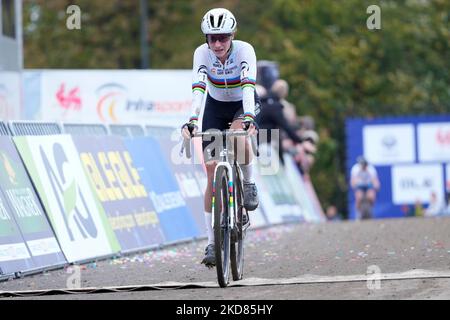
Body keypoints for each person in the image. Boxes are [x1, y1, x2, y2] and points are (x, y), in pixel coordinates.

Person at [181, 8, 260, 267]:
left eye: (223, 38)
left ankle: (248, 183)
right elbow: (199, 88)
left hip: (242, 103)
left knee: (237, 136)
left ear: (233, 35)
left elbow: (248, 85)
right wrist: (192, 120)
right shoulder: (201, 54)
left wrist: (248, 116)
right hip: (215, 106)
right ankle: (213, 243)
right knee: (212, 173)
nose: (217, 44)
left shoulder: (245, 50)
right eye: (212, 38)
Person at [259, 79, 303, 165]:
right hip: (265, 140)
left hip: (256, 138)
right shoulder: (275, 106)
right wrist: (299, 140)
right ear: (284, 93)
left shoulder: (261, 101)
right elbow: (285, 125)